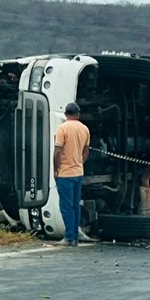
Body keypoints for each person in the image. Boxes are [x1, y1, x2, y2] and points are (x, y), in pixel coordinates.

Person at [52, 102, 90, 246]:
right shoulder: (84, 129)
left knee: (66, 206)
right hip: (78, 172)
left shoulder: (62, 128)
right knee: (75, 205)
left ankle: (69, 237)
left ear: (66, 114)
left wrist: (56, 169)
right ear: (78, 114)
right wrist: (80, 162)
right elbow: (86, 151)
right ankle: (75, 236)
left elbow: (57, 151)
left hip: (65, 173)